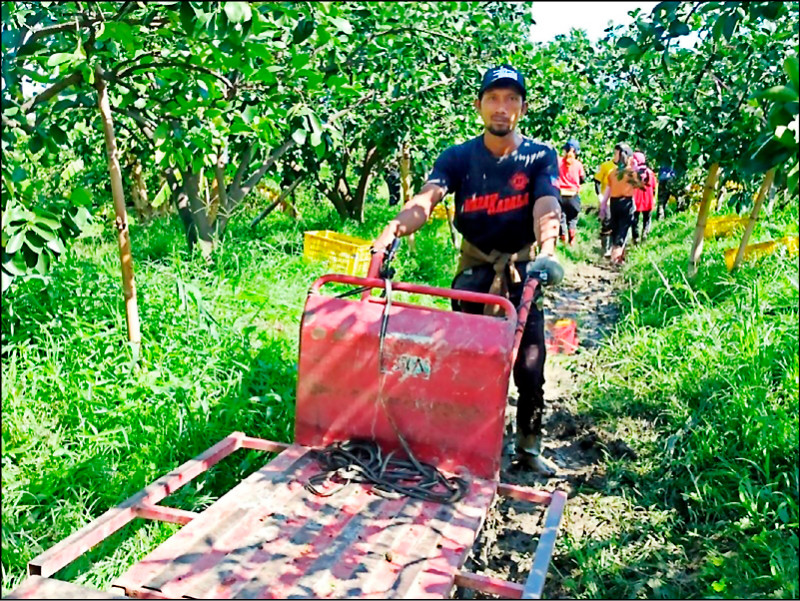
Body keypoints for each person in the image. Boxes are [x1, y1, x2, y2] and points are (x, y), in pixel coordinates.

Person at [372, 65, 564, 476]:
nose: (502, 107)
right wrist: (394, 228)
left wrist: (547, 250)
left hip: (523, 271)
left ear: (523, 108)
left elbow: (547, 203)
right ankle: (462, 440)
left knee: (530, 364)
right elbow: (427, 198)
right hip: (475, 268)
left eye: (511, 99)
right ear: (478, 106)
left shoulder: (539, 156)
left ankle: (528, 445)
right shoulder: (458, 156)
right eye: (493, 98)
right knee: (464, 360)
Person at [600, 144, 640, 264]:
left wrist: (603, 205)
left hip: (614, 203)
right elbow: (639, 186)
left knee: (616, 228)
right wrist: (635, 169)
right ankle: (616, 259)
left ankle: (617, 256)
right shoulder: (631, 173)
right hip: (626, 202)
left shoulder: (612, 173)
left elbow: (607, 191)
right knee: (623, 230)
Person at [594, 144, 624, 257]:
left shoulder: (624, 168)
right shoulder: (606, 166)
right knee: (607, 222)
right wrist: (599, 195)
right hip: (606, 200)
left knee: (616, 224)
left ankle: (614, 248)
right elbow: (597, 180)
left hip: (619, 200)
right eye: (617, 153)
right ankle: (605, 248)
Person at [556, 139, 585, 246]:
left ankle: (563, 239)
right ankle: (572, 240)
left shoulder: (558, 162)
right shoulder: (578, 164)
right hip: (573, 195)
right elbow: (582, 179)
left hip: (560, 194)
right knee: (572, 219)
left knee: (561, 218)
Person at [631, 151, 656, 244]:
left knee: (635, 219)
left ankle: (635, 237)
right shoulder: (650, 173)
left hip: (636, 199)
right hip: (647, 199)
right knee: (647, 218)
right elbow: (653, 186)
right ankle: (645, 233)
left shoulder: (633, 173)